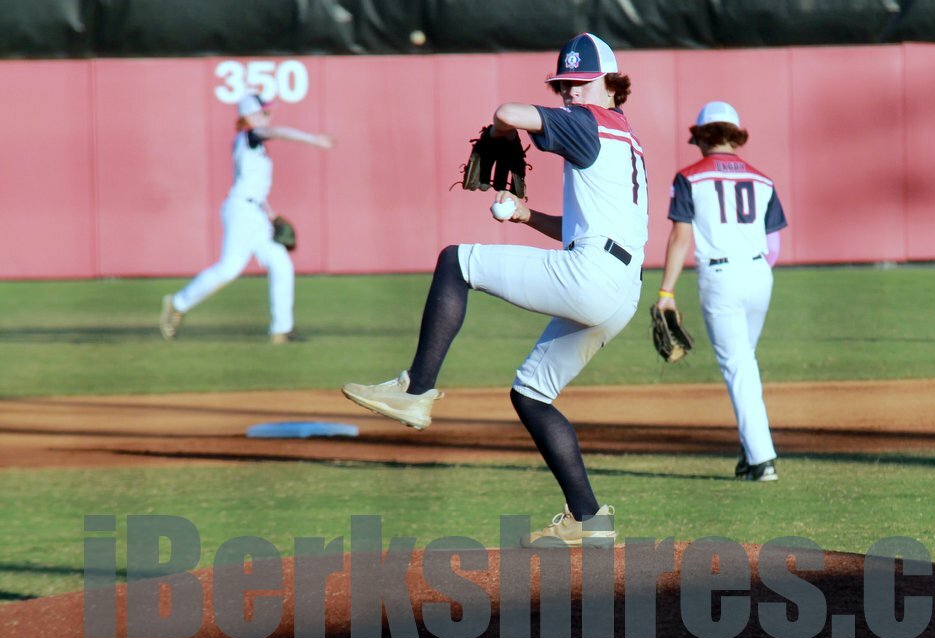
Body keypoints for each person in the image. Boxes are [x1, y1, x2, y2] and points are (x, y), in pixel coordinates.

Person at [342, 33, 646, 547]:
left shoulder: (589, 123)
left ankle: (415, 390)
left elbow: (507, 108)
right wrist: (527, 216)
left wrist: (504, 132)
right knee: (531, 394)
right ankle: (589, 520)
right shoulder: (625, 137)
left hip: (592, 276)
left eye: (581, 84)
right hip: (621, 288)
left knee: (455, 261)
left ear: (612, 86)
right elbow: (581, 228)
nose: (570, 93)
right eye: (563, 85)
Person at [657, 101, 788, 481]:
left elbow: (681, 236)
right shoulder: (763, 180)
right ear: (734, 135)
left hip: (721, 278)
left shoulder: (689, 177)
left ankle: (762, 460)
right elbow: (774, 244)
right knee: (744, 360)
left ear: (702, 137)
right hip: (760, 274)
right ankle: (750, 454)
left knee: (738, 365)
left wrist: (666, 291)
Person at [159, 93, 335, 344]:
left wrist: (270, 212)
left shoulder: (255, 146)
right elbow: (275, 132)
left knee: (281, 264)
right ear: (250, 115)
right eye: (264, 112)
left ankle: (281, 331)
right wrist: (312, 140)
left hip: (255, 212)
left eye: (268, 112)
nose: (269, 115)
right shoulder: (250, 136)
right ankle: (177, 303)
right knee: (229, 269)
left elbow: (255, 186)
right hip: (241, 210)